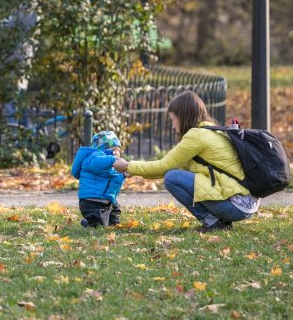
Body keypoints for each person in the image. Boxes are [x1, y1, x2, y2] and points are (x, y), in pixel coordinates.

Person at [113, 91, 259, 233]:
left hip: (236, 206)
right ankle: (222, 221)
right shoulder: (212, 131)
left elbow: (163, 167)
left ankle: (212, 222)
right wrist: (132, 170)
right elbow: (174, 165)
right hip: (247, 203)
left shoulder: (196, 136)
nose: (173, 126)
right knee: (176, 174)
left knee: (172, 177)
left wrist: (128, 166)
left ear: (183, 117)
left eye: (173, 120)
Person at [70, 130, 125, 228]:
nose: (117, 153)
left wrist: (123, 174)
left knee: (116, 209)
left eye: (118, 150)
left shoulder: (110, 164)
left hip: (106, 199)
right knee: (99, 226)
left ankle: (113, 224)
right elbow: (96, 164)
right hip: (92, 201)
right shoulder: (94, 157)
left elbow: (112, 177)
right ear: (102, 149)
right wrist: (113, 160)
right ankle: (90, 223)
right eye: (114, 149)